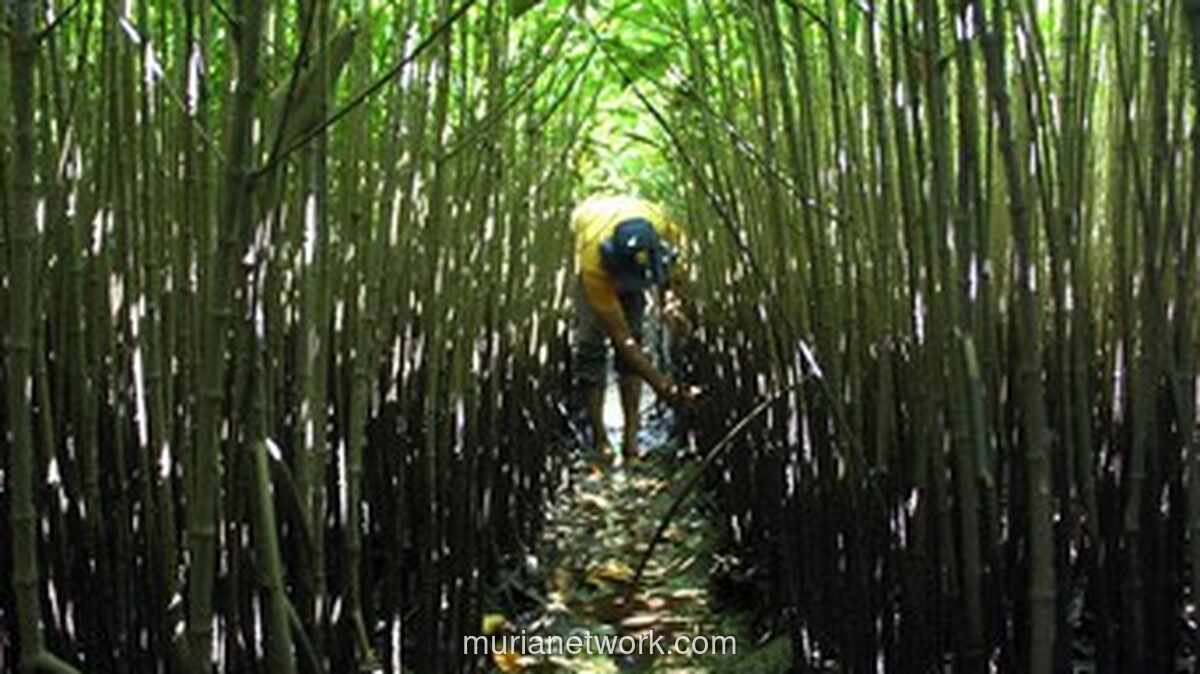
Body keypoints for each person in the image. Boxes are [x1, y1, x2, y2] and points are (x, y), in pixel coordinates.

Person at [569, 195, 700, 463]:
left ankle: (631, 440)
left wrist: (672, 303)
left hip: (632, 254)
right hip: (595, 259)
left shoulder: (663, 227)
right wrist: (664, 388)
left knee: (635, 339)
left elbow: (679, 268)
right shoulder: (594, 263)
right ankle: (600, 439)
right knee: (591, 347)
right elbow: (622, 339)